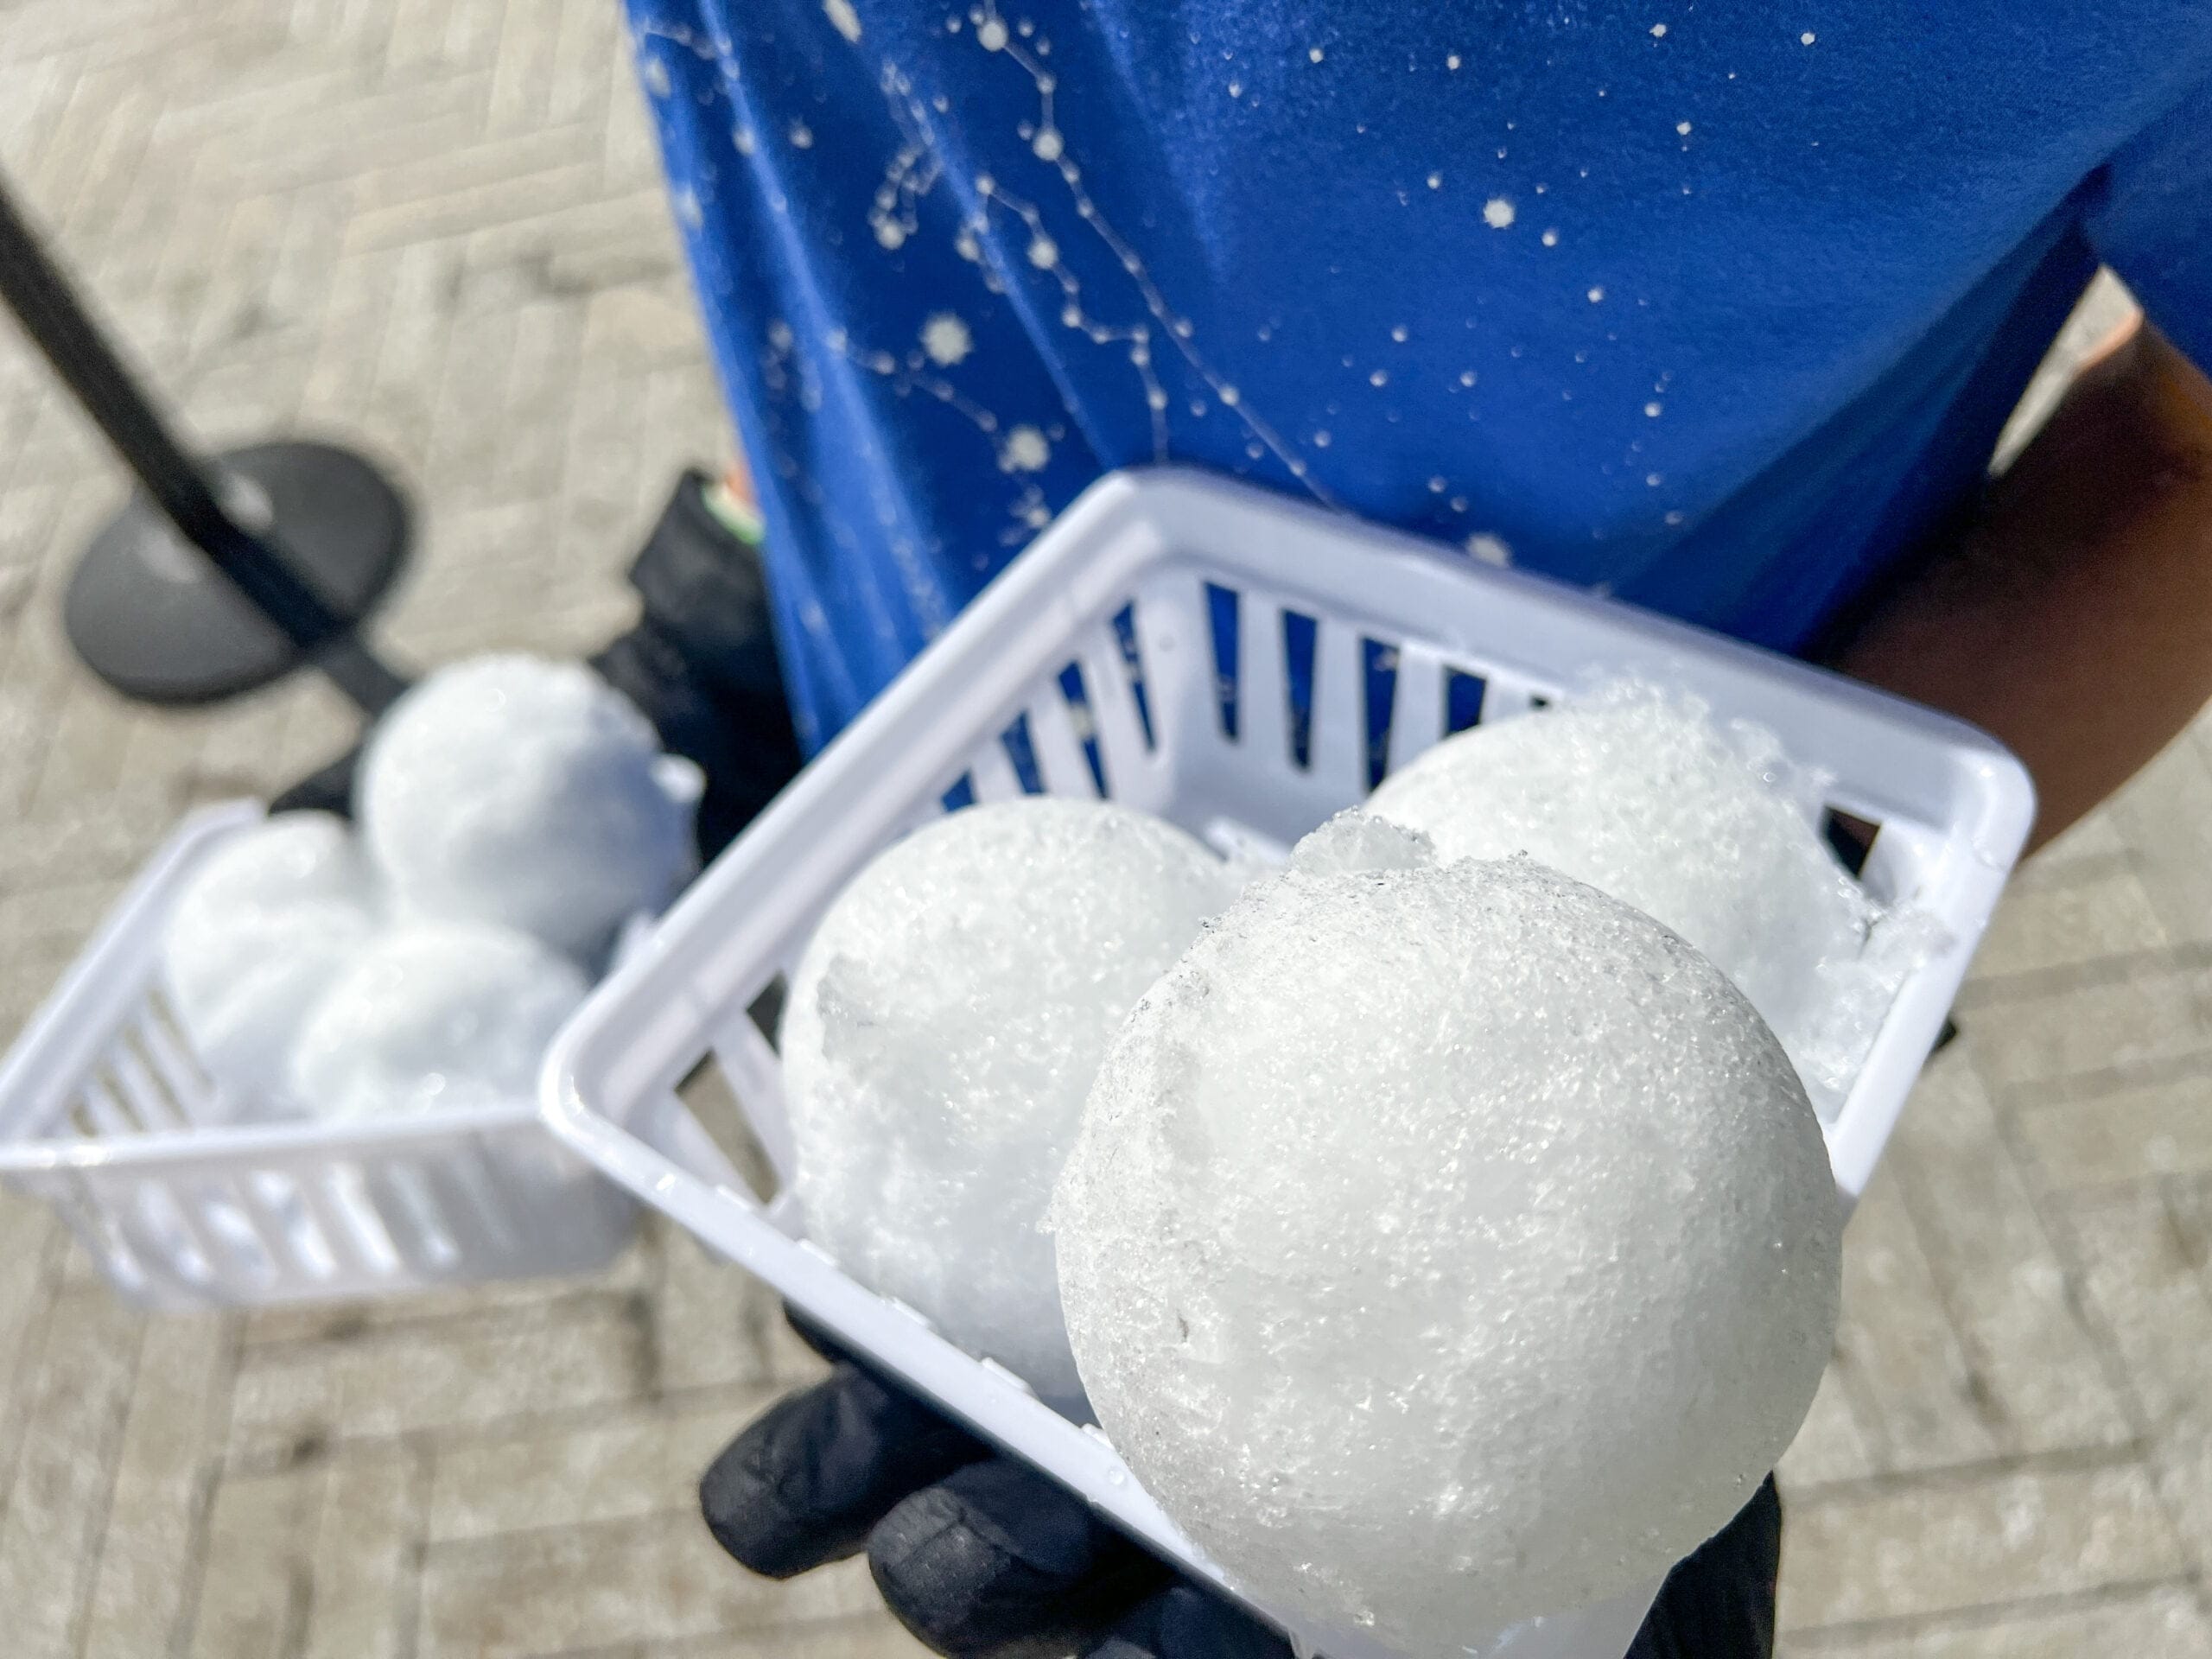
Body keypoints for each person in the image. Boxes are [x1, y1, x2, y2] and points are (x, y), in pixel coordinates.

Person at [603, 3, 2212, 1654]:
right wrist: (742, 574)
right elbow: (839, 122)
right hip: (928, 775)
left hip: (1676, 827)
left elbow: (2191, 437)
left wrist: (1814, 927)